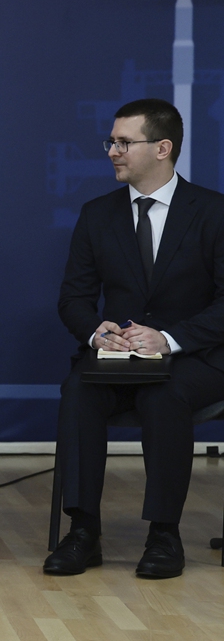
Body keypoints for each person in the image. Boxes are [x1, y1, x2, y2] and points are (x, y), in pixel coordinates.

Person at [46, 98, 224, 579]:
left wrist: (168, 338)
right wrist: (94, 329)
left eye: (125, 142)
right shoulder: (96, 214)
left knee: (165, 395)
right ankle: (83, 532)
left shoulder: (213, 212)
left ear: (163, 148)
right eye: (112, 141)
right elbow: (73, 298)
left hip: (195, 356)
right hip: (118, 354)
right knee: (78, 392)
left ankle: (164, 534)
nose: (112, 151)